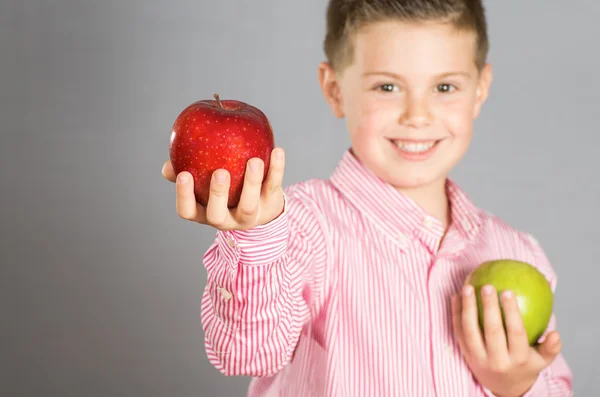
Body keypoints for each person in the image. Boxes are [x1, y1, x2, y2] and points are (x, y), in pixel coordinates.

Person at [162, 0, 573, 395]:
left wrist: (517, 387)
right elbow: (245, 354)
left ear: (480, 90)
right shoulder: (299, 229)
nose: (418, 115)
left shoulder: (519, 252)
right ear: (335, 89)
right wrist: (253, 238)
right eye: (388, 86)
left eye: (444, 86)